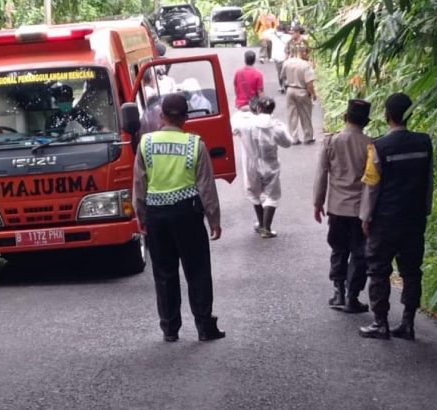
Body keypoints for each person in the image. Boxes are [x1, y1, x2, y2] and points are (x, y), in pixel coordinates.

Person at [133, 93, 226, 343]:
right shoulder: (195, 145)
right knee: (197, 271)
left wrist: (139, 215)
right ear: (186, 118)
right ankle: (205, 326)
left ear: (161, 116)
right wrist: (214, 220)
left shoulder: (146, 143)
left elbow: (139, 184)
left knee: (164, 274)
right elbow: (206, 187)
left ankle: (170, 328)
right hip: (187, 214)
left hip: (156, 215)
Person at [358, 93, 433, 340]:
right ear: (409, 114)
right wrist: (426, 209)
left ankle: (381, 323)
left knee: (379, 270)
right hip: (414, 219)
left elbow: (371, 186)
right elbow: (428, 181)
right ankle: (408, 323)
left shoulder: (378, 147)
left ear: (387, 116)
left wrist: (365, 218)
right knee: (411, 271)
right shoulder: (424, 143)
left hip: (385, 221)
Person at [313, 99, 373, 313]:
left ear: (345, 118)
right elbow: (373, 182)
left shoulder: (331, 142)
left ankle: (338, 291)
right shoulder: (370, 145)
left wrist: (318, 202)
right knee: (359, 253)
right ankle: (352, 296)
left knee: (339, 248)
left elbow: (321, 175)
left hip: (337, 208)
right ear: (366, 121)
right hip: (360, 210)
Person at [232, 96, 293, 238]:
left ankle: (260, 223)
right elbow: (288, 143)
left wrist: (244, 112)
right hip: (270, 164)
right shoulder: (277, 127)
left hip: (251, 164)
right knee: (272, 195)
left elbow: (234, 127)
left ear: (258, 108)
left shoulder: (246, 124)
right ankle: (266, 228)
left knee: (254, 193)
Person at [281, 47, 317, 144]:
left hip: (290, 90)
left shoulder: (287, 62)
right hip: (302, 91)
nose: (308, 55)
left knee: (292, 114)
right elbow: (309, 83)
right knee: (305, 114)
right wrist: (313, 94)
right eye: (307, 53)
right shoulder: (305, 65)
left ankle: (293, 137)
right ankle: (308, 136)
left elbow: (282, 77)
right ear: (303, 53)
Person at [267, 24, 291, 93]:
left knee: (279, 72)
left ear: (277, 29)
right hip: (286, 56)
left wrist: (273, 30)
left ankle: (281, 86)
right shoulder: (288, 36)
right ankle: (286, 82)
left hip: (277, 57)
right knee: (286, 71)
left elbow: (264, 35)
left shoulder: (273, 36)